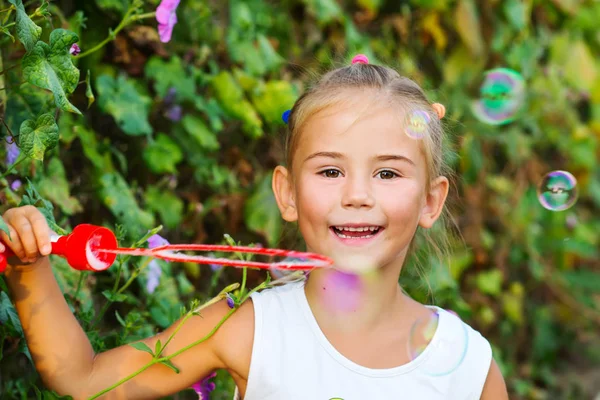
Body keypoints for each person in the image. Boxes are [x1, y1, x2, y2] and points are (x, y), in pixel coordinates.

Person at [3, 55, 509, 400]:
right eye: (331, 171)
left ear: (431, 200)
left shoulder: (467, 368)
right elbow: (83, 379)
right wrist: (28, 267)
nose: (358, 194)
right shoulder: (249, 328)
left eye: (388, 172)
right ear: (287, 193)